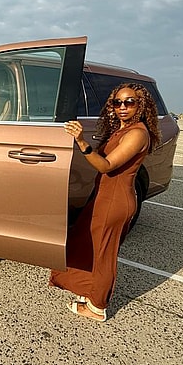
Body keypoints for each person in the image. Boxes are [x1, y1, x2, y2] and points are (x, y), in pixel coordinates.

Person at [49, 83, 161, 321]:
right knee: (89, 246)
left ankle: (97, 307)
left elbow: (106, 165)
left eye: (129, 102)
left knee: (104, 256)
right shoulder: (122, 129)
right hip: (105, 197)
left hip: (115, 201)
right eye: (117, 102)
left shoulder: (137, 133)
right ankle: (89, 292)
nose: (122, 107)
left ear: (141, 105)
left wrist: (81, 141)